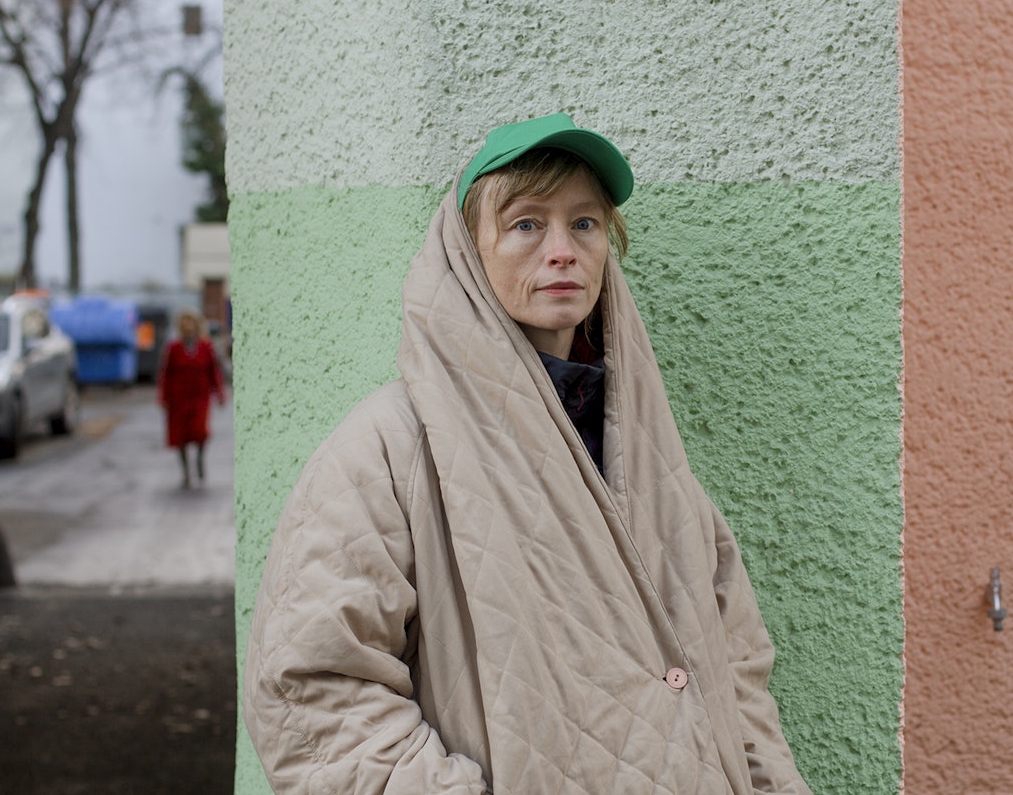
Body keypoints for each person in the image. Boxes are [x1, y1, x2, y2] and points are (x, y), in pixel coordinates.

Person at [244, 113, 812, 793]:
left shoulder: (647, 455)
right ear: (467, 252)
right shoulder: (391, 449)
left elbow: (735, 663)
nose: (562, 249)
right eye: (525, 223)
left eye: (584, 223)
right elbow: (313, 692)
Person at [156, 310, 226, 488]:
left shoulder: (205, 347)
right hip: (178, 398)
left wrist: (220, 393)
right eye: (184, 321)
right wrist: (163, 397)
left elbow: (214, 371)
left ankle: (200, 460)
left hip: (200, 396)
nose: (187, 325)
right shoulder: (173, 348)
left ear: (197, 324)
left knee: (200, 431)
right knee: (180, 436)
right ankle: (186, 472)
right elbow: (166, 374)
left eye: (191, 321)